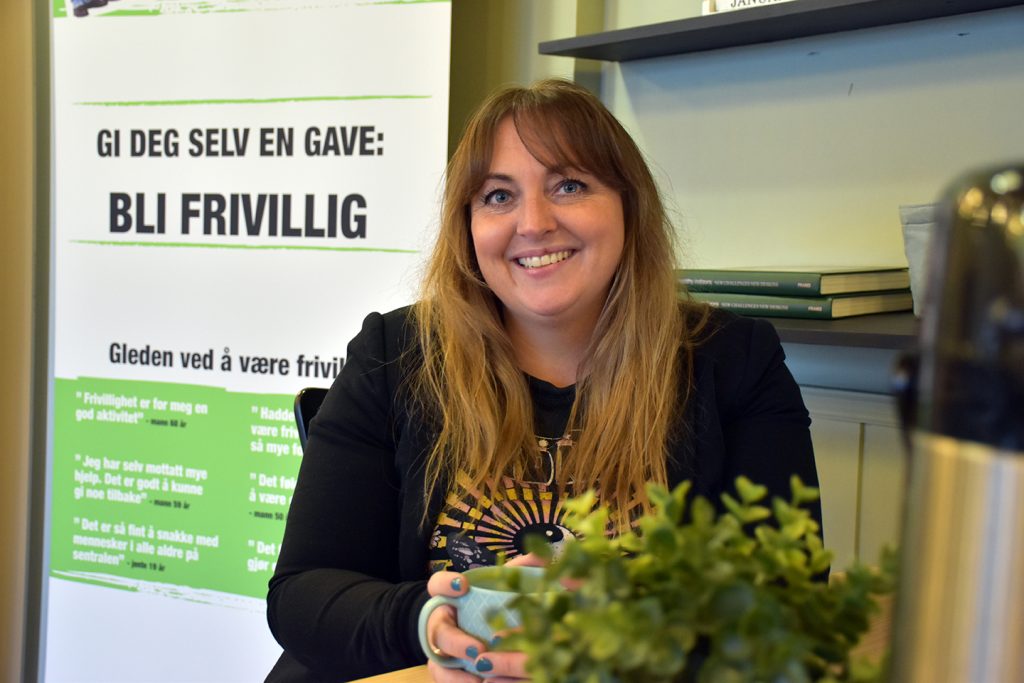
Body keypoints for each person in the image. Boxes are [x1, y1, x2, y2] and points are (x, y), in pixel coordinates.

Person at [265, 78, 820, 682]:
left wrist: (634, 626)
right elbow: (302, 593)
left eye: (570, 185)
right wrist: (426, 622)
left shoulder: (734, 361)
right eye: (498, 196)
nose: (532, 223)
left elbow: (785, 594)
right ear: (467, 226)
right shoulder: (395, 355)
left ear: (628, 205)